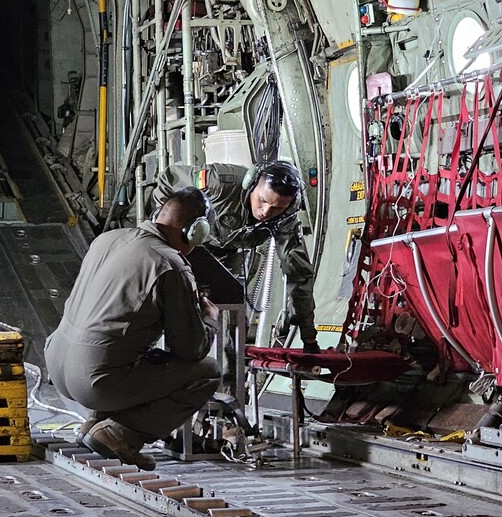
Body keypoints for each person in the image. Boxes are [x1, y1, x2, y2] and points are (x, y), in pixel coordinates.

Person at [44, 187, 221, 470]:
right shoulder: (170, 264)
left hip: (56, 364)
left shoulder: (107, 239)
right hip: (95, 383)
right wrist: (210, 320)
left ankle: (96, 422)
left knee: (136, 352)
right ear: (196, 231)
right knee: (207, 371)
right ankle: (120, 435)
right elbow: (190, 349)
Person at [153, 161, 321, 354]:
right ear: (251, 184)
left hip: (232, 253)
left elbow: (299, 274)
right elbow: (168, 179)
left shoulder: (285, 220)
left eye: (276, 208)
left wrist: (308, 336)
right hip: (189, 243)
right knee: (176, 299)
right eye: (262, 200)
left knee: (234, 316)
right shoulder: (218, 183)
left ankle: (228, 366)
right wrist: (166, 229)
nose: (265, 212)